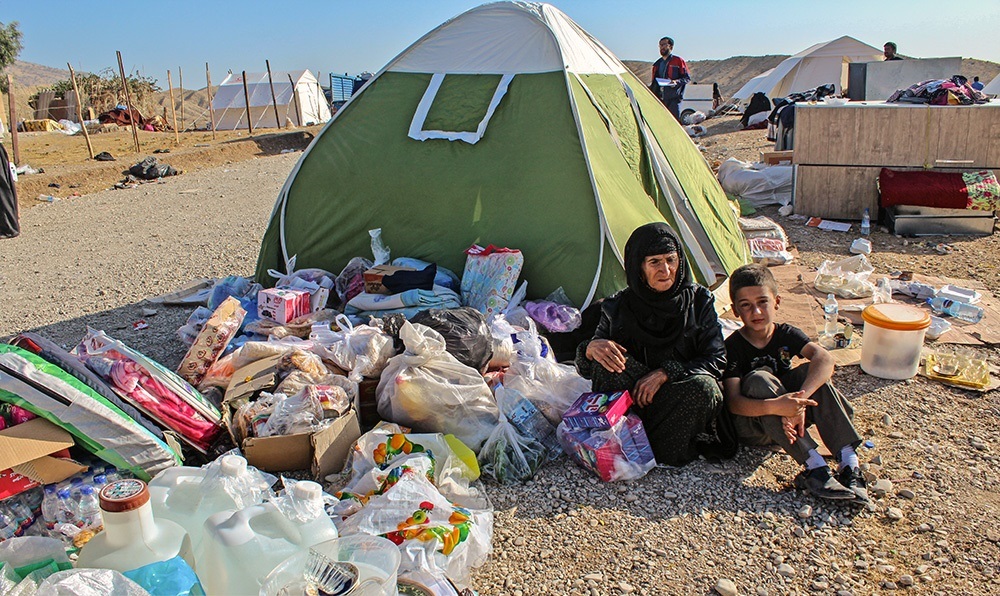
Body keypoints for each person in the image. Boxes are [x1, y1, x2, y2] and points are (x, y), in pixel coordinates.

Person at [575, 222, 733, 467]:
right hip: (631, 399)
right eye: (655, 262)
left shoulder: (699, 302)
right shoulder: (617, 307)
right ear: (639, 267)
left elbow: (715, 359)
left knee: (705, 388)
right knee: (607, 361)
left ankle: (657, 449)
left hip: (675, 397)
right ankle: (621, 440)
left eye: (671, 260)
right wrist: (590, 348)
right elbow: (586, 368)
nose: (666, 270)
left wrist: (666, 373)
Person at [722, 264, 867, 503]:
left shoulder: (786, 333)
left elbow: (824, 358)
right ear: (736, 311)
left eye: (762, 302)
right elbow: (735, 403)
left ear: (777, 302)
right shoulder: (733, 347)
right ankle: (815, 467)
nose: (756, 311)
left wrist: (798, 401)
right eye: (746, 305)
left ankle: (849, 463)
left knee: (814, 373)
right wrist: (777, 406)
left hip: (790, 418)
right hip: (755, 425)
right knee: (759, 378)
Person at [649, 36, 691, 122]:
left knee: (674, 122)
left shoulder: (678, 61)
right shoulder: (657, 64)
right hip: (660, 99)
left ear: (671, 47)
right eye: (660, 45)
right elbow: (654, 82)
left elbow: (686, 78)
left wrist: (676, 82)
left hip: (674, 99)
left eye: (664, 45)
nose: (661, 47)